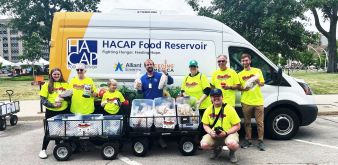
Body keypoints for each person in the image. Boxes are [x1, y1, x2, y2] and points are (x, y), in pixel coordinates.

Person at [135, 59, 174, 148]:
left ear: (153, 65)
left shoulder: (160, 75)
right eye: (147, 64)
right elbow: (140, 93)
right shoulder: (142, 78)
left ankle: (160, 139)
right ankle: (148, 140)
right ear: (145, 67)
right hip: (147, 104)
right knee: (147, 123)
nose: (149, 65)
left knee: (159, 123)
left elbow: (171, 82)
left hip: (159, 104)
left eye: (151, 64)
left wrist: (166, 73)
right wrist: (138, 87)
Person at [200, 88, 240, 163]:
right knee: (203, 144)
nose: (216, 98)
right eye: (213, 96)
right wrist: (210, 132)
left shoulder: (229, 108)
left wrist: (226, 133)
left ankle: (232, 152)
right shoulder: (208, 109)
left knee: (232, 144)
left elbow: (237, 126)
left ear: (222, 97)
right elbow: (205, 125)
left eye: (218, 96)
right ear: (211, 98)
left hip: (228, 134)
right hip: (214, 135)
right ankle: (216, 149)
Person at [39, 68, 70, 159]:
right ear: (51, 75)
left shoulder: (65, 84)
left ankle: (58, 145)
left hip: (63, 111)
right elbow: (43, 100)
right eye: (54, 74)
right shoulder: (47, 84)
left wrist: (65, 98)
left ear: (61, 75)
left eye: (58, 74)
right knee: (50, 131)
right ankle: (43, 150)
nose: (56, 76)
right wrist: (53, 105)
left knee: (62, 130)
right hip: (51, 111)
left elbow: (69, 99)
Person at [238, 53, 266, 151]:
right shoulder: (240, 74)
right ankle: (248, 140)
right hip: (246, 101)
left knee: (260, 123)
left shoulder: (257, 71)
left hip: (258, 101)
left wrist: (257, 81)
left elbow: (262, 84)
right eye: (243, 61)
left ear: (250, 61)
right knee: (247, 122)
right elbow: (239, 87)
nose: (245, 62)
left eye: (246, 60)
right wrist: (244, 88)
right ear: (241, 62)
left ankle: (261, 141)